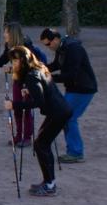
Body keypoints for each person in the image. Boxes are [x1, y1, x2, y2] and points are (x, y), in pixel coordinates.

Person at [5, 46, 72, 197]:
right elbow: (44, 89)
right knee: (42, 144)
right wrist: (30, 91)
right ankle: (49, 182)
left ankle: (50, 185)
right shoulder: (39, 68)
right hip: (60, 110)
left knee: (41, 144)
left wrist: (14, 104)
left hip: (58, 112)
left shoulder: (31, 76)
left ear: (23, 60)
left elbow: (39, 102)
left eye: (15, 60)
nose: (13, 64)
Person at [0, 23, 47, 147]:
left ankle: (27, 137)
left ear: (12, 33)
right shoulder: (9, 46)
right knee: (16, 108)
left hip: (29, 81)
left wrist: (15, 72)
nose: (4, 34)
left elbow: (32, 66)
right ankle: (18, 136)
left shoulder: (26, 46)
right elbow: (1, 61)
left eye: (6, 32)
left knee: (26, 109)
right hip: (17, 80)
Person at [39, 28, 98, 163]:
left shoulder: (73, 49)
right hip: (74, 88)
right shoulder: (62, 48)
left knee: (68, 117)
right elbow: (56, 65)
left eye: (48, 44)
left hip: (83, 88)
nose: (48, 48)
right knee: (65, 116)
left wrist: (49, 78)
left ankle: (76, 152)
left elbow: (72, 74)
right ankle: (74, 151)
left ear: (55, 39)